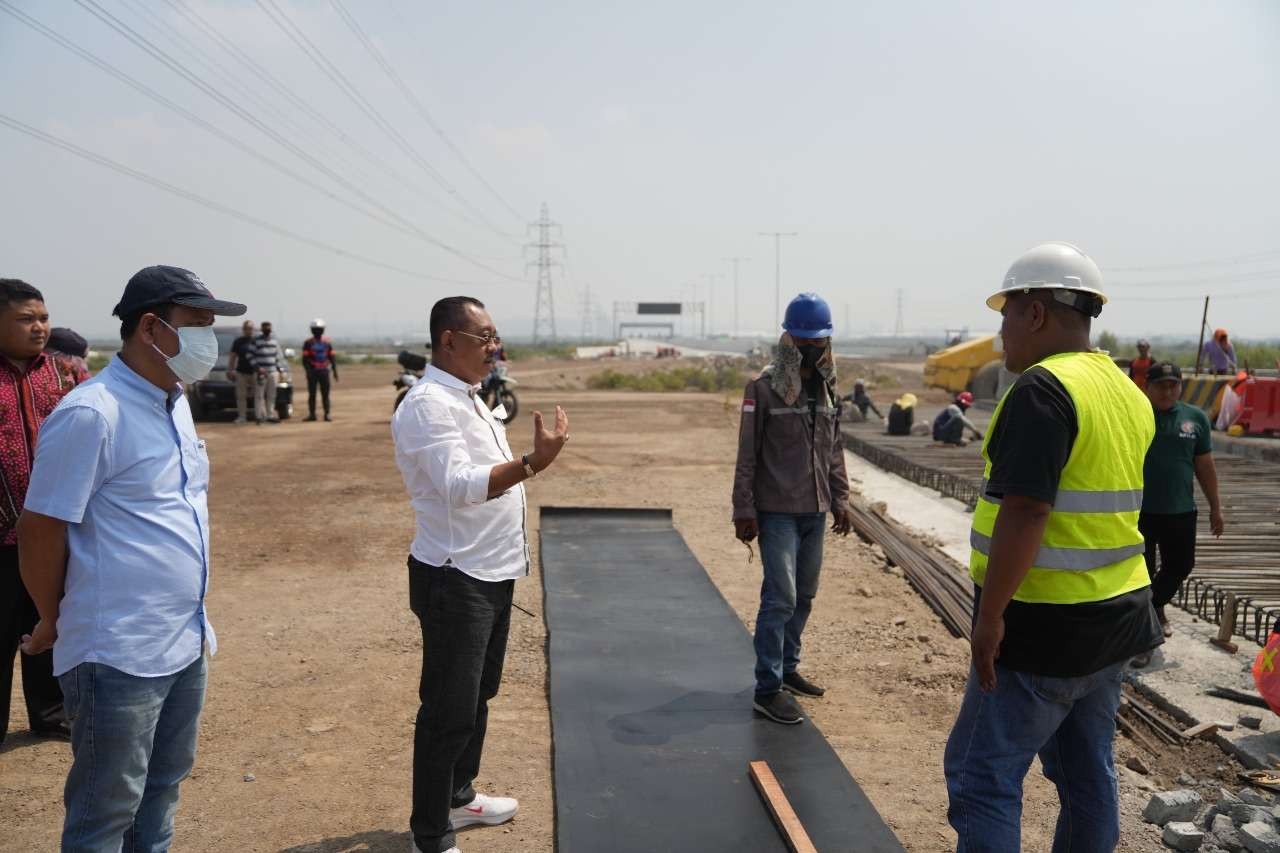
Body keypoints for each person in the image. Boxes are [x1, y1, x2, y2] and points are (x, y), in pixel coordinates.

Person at [18, 265, 245, 851]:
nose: (207, 342)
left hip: (182, 638)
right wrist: (53, 614)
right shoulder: (93, 413)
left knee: (162, 790)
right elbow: (41, 528)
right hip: (117, 650)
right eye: (196, 325)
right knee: (106, 809)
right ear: (151, 327)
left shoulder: (173, 402)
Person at [943, 242, 1161, 852]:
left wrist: (988, 621)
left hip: (1043, 627)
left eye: (1007, 314)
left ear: (1036, 312)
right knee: (1088, 774)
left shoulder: (1042, 390)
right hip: (1117, 618)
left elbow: (1028, 509)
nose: (1002, 333)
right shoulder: (1125, 392)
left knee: (981, 777)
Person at [391, 296, 570, 853]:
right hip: (454, 576)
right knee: (448, 707)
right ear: (449, 340)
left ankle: (459, 796)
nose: (495, 347)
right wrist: (532, 463)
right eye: (484, 337)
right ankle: (431, 834)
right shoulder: (427, 405)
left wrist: (527, 463)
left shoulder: (470, 398)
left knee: (478, 693)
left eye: (495, 336)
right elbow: (459, 485)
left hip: (489, 572)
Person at [732, 292, 853, 726]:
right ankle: (767, 688)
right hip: (777, 512)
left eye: (819, 341)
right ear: (789, 340)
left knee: (804, 595)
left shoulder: (827, 390)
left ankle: (787, 669)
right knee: (779, 597)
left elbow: (834, 450)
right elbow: (747, 454)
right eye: (805, 341)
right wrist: (743, 509)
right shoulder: (762, 390)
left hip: (815, 510)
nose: (813, 349)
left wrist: (841, 498)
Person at [0, 280, 81, 744]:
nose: (38, 327)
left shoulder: (65, 375)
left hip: (52, 530)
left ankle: (50, 713)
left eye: (43, 318)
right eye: (25, 319)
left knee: (49, 621)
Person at [1131, 362, 1223, 667]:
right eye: (1161, 386)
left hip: (1180, 511)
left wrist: (1215, 507)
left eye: (1173, 385)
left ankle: (1152, 608)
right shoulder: (1135, 414)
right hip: (1138, 510)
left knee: (1181, 565)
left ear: (1180, 387)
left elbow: (1205, 466)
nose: (1167, 391)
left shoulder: (1195, 419)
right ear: (1148, 387)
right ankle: (1144, 638)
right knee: (1139, 575)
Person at [301, 317, 339, 422]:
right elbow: (305, 359)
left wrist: (335, 371)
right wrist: (308, 371)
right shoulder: (308, 343)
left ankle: (327, 414)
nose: (318, 331)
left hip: (324, 371)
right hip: (313, 372)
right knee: (312, 394)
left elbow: (332, 357)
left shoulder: (327, 342)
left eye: (319, 329)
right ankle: (312, 414)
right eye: (316, 329)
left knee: (325, 394)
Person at [251, 319, 287, 424]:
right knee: (259, 395)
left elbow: (278, 357)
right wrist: (258, 368)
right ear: (262, 329)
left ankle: (270, 415)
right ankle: (258, 416)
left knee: (272, 394)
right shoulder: (256, 340)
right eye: (265, 327)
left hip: (272, 372)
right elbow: (249, 355)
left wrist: (280, 370)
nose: (267, 329)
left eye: (269, 327)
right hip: (260, 373)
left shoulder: (274, 341)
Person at [226, 319, 256, 424]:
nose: (249, 330)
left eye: (251, 328)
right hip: (241, 372)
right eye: (247, 329)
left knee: (258, 395)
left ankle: (259, 416)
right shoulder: (238, 341)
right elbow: (233, 357)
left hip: (255, 373)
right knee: (241, 396)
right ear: (243, 330)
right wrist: (230, 369)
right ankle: (242, 417)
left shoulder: (257, 341)